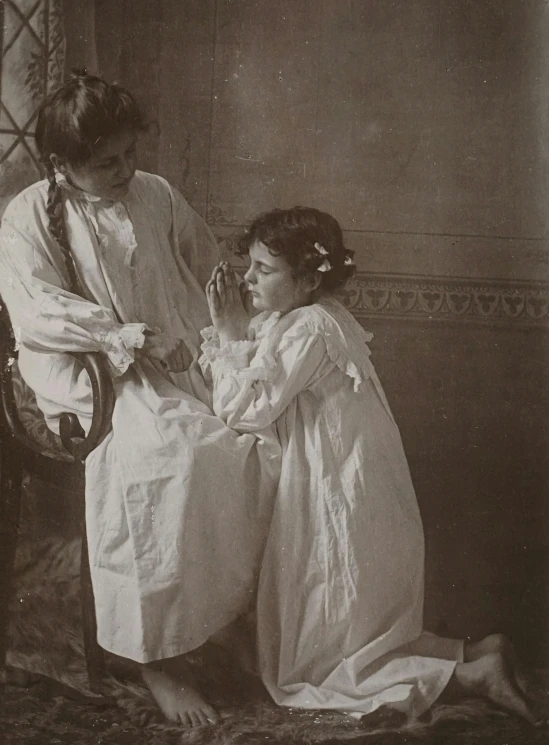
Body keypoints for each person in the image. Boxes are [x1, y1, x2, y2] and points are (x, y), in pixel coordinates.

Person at [0, 72, 280, 728]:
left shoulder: (153, 193)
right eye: (106, 162)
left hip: (171, 355)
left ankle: (218, 619)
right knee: (174, 457)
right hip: (88, 370)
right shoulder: (30, 216)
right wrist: (126, 336)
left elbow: (200, 260)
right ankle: (152, 654)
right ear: (63, 166)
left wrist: (220, 320)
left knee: (251, 443)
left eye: (130, 153)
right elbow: (37, 310)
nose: (126, 168)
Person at [201, 207, 545, 726]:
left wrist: (227, 333)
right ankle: (476, 652)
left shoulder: (309, 328)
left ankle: (469, 674)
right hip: (350, 480)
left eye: (263, 270)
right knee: (342, 628)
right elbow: (264, 377)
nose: (248, 279)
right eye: (248, 265)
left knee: (316, 663)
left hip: (337, 491)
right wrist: (242, 335)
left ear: (310, 278)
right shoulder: (305, 317)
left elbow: (246, 409)